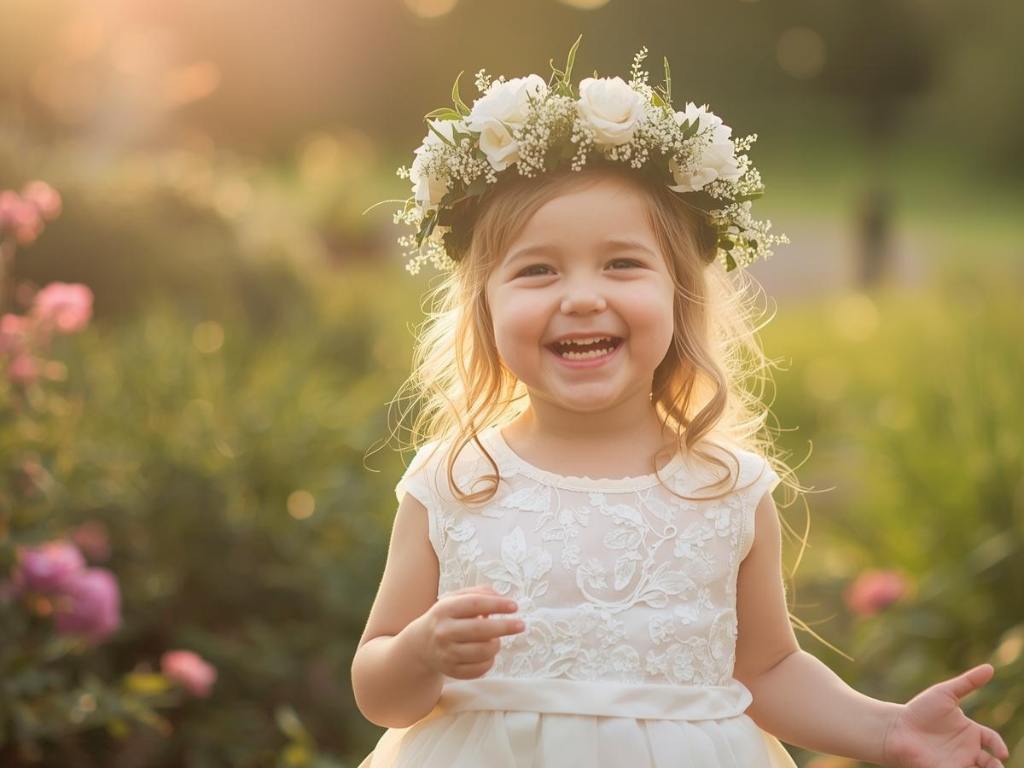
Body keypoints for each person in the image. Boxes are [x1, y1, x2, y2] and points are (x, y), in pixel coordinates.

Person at [351, 37, 1010, 768]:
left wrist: (887, 731)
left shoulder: (726, 486)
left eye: (622, 264)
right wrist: (420, 651)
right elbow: (379, 689)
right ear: (483, 308)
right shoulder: (454, 481)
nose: (582, 297)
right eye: (537, 270)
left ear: (679, 292)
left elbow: (765, 671)